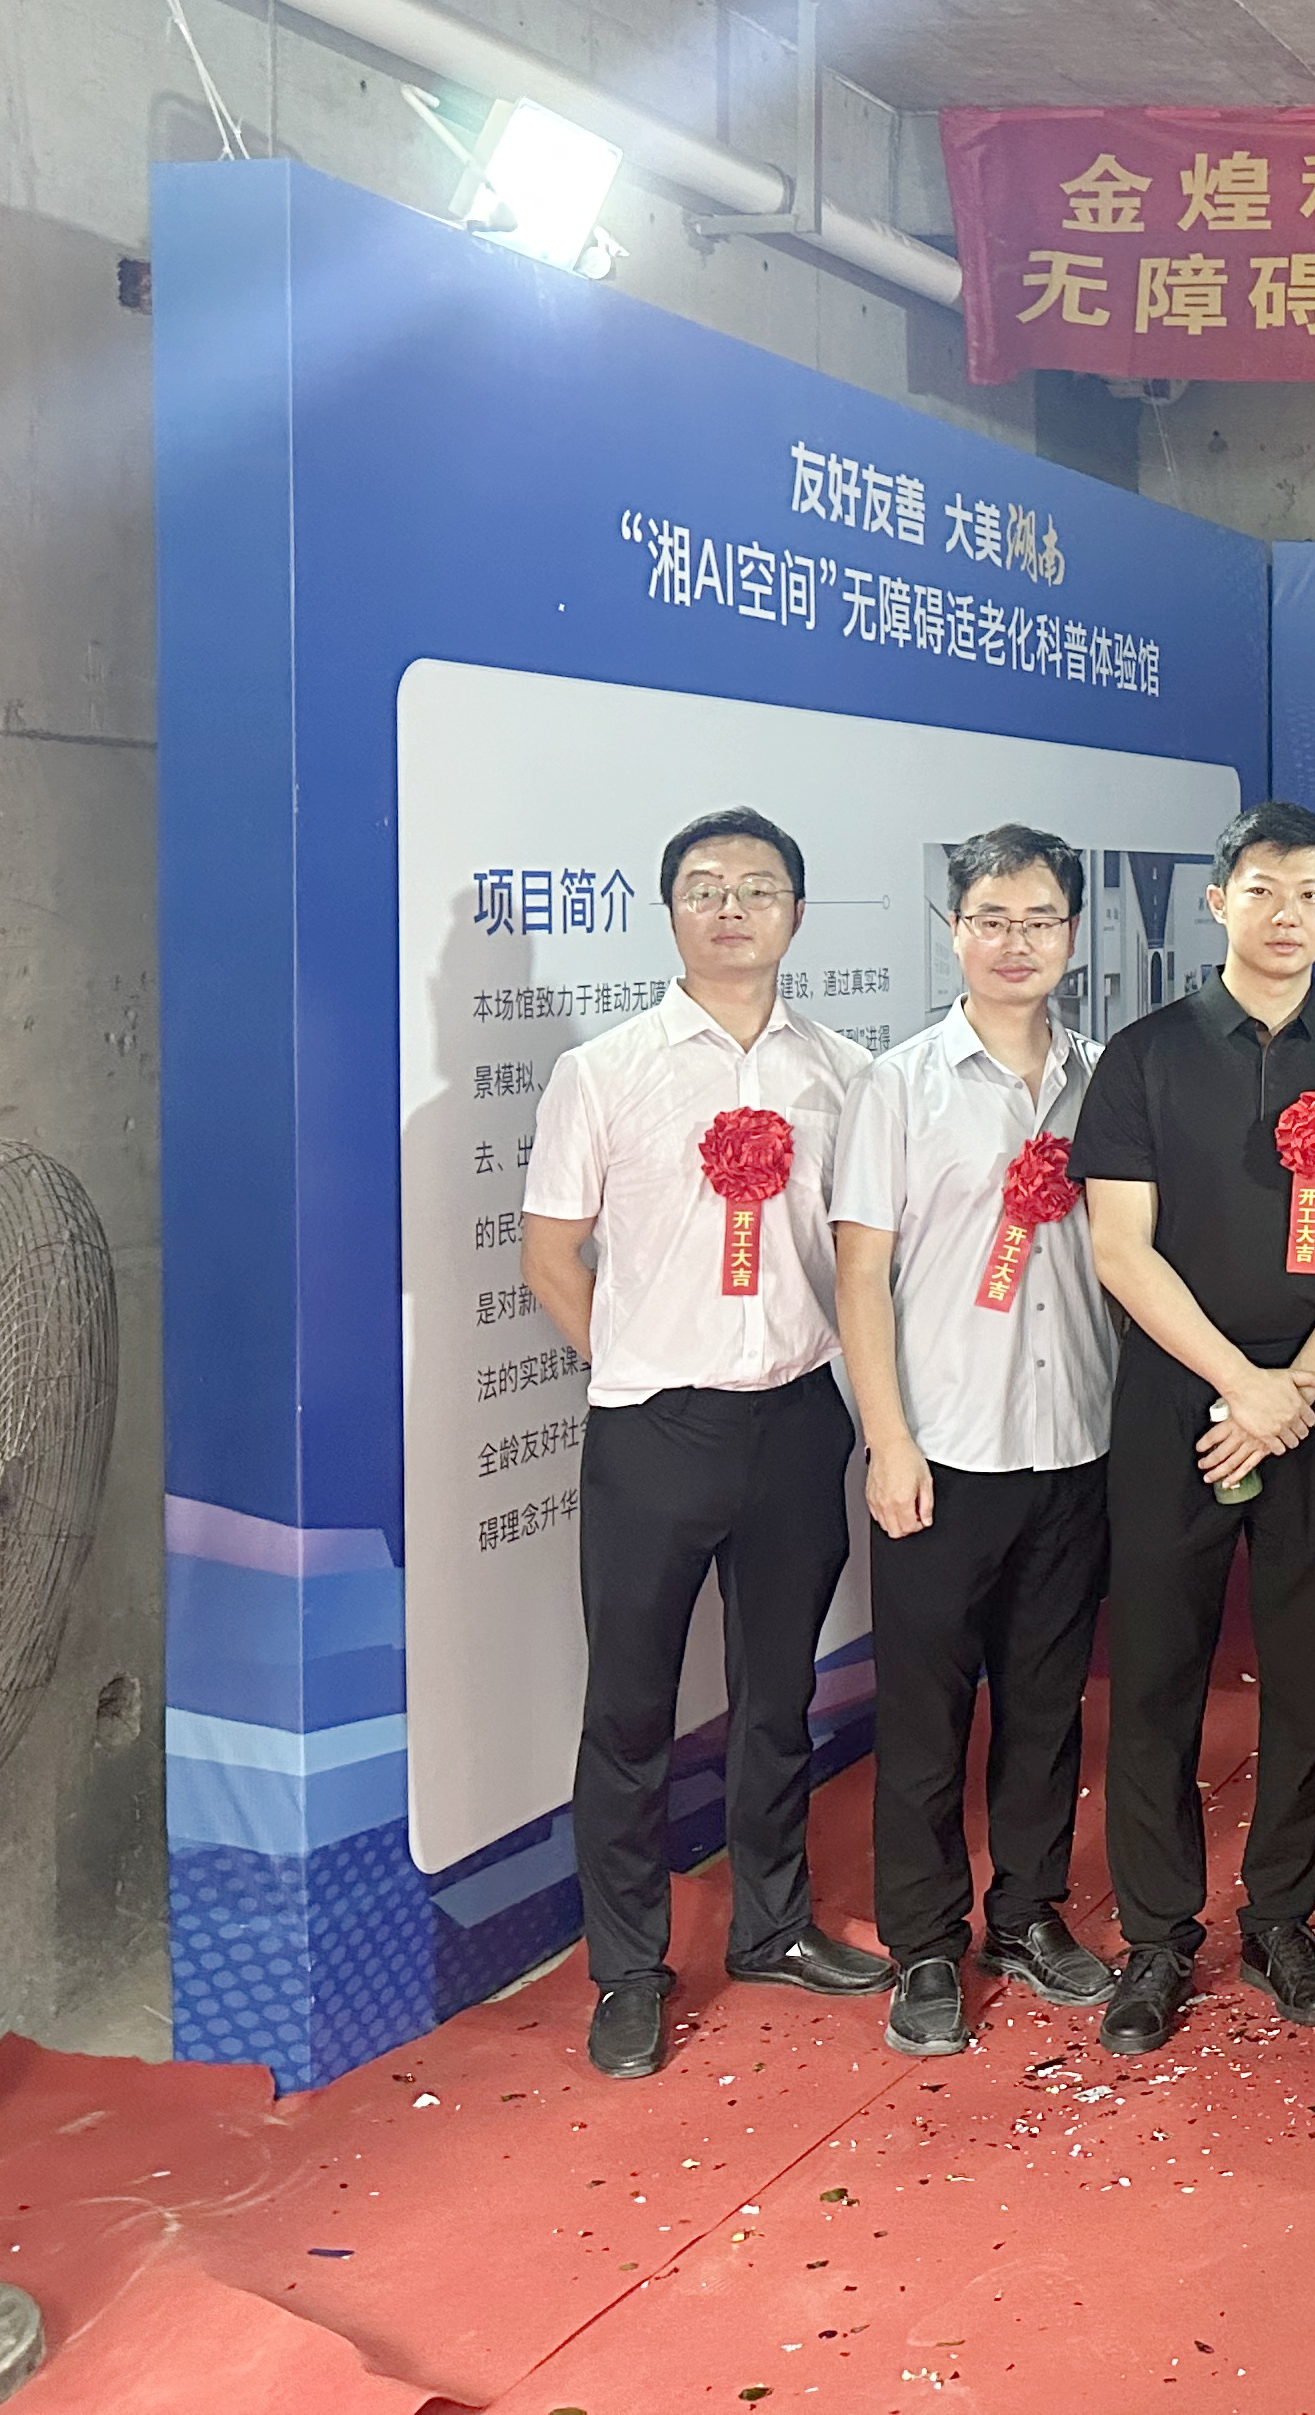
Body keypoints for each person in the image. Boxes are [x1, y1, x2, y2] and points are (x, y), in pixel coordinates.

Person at [522, 806, 888, 2080]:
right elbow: (550, 1255)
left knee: (777, 1696)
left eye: (758, 888)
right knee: (628, 1710)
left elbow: (860, 1259)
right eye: (705, 887)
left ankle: (773, 1927)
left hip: (797, 1421)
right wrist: (638, 1365)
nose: (731, 908)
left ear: (797, 914)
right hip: (655, 1431)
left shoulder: (845, 1074)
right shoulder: (605, 1071)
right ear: (671, 911)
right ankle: (627, 1971)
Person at [1073, 802, 1315, 2050]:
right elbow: (1121, 1248)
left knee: (1309, 1665)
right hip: (1178, 1397)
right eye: (1264, 890)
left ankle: (1283, 1916)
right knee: (1156, 1670)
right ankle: (1157, 1934)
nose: (1287, 914)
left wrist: (1296, 1393)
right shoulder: (1145, 1056)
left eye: (1311, 895)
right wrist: (1241, 1385)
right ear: (1219, 900)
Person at [829, 824, 1117, 2058]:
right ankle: (926, 1944)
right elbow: (860, 1275)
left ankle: (1028, 1914)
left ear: (1072, 935)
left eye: (1039, 920)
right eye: (991, 919)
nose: (1015, 942)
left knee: (1047, 1707)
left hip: (1076, 1441)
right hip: (942, 1451)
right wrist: (887, 1440)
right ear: (953, 931)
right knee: (926, 1716)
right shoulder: (898, 1086)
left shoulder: (1107, 1081)